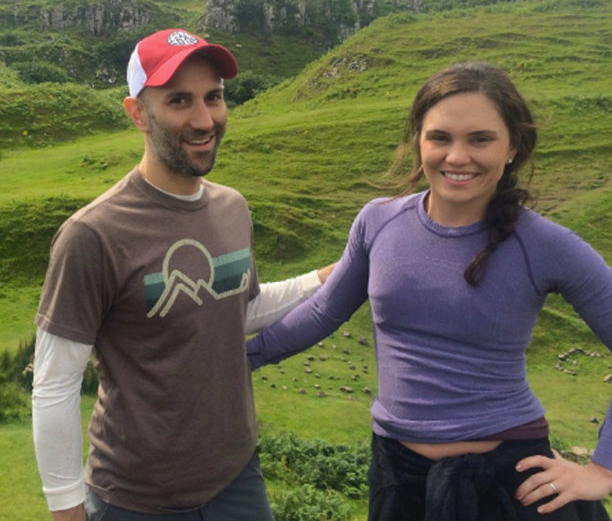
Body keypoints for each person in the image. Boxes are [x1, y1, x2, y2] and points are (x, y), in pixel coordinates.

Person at [246, 62, 612, 520]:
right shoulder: (378, 222)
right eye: (440, 137)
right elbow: (323, 313)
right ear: (418, 142)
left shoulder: (544, 244)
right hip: (397, 478)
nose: (457, 157)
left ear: (513, 147)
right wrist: (240, 360)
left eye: (480, 139)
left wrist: (604, 469)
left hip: (508, 484)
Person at [32, 28, 335, 521]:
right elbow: (55, 383)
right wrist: (66, 509)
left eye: (213, 97)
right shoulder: (93, 234)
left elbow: (241, 306)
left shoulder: (232, 208)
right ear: (138, 114)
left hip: (237, 479)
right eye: (179, 101)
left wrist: (332, 275)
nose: (204, 119)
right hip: (134, 499)